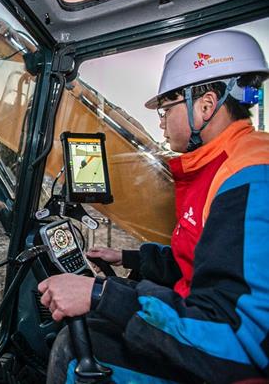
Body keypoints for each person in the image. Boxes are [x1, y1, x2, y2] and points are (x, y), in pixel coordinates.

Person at [39, 30, 269, 383]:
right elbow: (201, 262)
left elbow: (239, 340)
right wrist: (130, 259)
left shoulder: (249, 179)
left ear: (205, 105)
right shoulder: (221, 165)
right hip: (203, 326)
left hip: (226, 361)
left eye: (166, 108)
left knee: (75, 347)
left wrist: (100, 295)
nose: (160, 121)